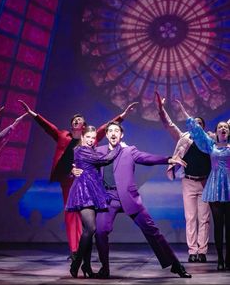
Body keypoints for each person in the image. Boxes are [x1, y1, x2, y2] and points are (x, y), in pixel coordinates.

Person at [18, 99, 138, 260]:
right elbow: (49, 128)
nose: (76, 121)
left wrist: (123, 115)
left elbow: (105, 127)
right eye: (74, 120)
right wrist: (33, 114)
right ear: (72, 124)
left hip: (86, 182)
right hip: (68, 180)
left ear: (83, 126)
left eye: (79, 120)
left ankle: (82, 249)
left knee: (86, 217)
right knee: (70, 214)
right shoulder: (63, 136)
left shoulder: (90, 139)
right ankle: (74, 250)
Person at [93, 121, 192, 278]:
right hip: (108, 198)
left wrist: (168, 159)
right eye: (110, 131)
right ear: (106, 135)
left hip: (128, 198)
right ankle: (104, 268)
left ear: (121, 135)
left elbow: (147, 158)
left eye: (116, 131)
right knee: (100, 231)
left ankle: (175, 265)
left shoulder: (129, 151)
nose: (113, 133)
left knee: (152, 230)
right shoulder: (98, 151)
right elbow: (86, 164)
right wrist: (74, 169)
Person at [155, 92, 211, 264]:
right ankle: (192, 251)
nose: (196, 126)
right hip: (188, 181)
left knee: (204, 219)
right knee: (190, 218)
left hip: (205, 182)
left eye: (200, 124)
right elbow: (169, 125)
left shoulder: (210, 141)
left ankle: (202, 251)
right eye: (194, 123)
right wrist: (161, 110)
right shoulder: (184, 138)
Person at [176, 100, 230, 271]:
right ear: (214, 132)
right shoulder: (210, 144)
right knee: (213, 222)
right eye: (220, 127)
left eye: (225, 127)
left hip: (228, 186)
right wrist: (184, 112)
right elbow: (197, 131)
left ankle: (227, 258)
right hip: (213, 185)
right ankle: (219, 258)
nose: (223, 129)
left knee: (226, 225)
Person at [65, 125, 121, 278]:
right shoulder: (81, 150)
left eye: (93, 138)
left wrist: (72, 171)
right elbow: (105, 159)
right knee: (91, 229)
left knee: (87, 233)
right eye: (87, 137)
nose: (90, 140)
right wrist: (119, 147)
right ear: (82, 137)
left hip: (94, 190)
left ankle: (87, 267)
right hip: (84, 191)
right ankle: (76, 262)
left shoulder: (90, 150)